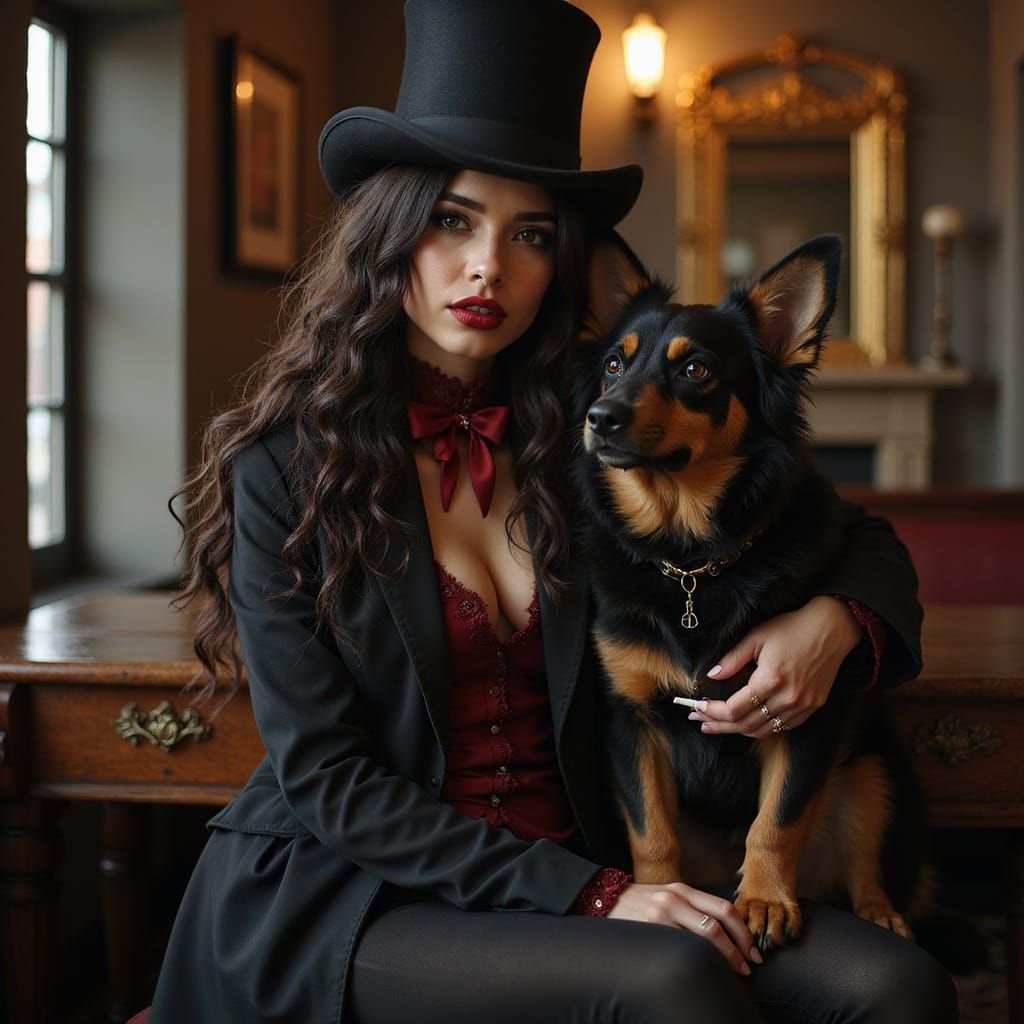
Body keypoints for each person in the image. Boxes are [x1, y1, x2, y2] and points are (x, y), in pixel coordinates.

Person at [149, 2, 957, 1021]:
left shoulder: (588, 437)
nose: (488, 265)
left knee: (897, 986)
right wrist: (598, 893)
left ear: (559, 266)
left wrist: (830, 623)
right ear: (389, 234)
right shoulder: (284, 467)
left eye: (528, 234)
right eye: (452, 220)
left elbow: (858, 537)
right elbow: (326, 781)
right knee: (672, 979)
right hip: (352, 892)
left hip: (586, 864)